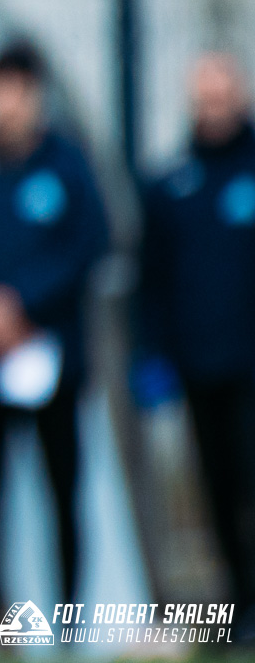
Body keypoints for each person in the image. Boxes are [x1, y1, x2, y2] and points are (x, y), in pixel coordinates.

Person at [0, 41, 109, 618]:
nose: (6, 103)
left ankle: (70, 614)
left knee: (63, 489)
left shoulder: (67, 165)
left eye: (17, 91)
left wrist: (21, 304)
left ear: (37, 97)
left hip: (52, 352)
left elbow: (89, 243)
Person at [136, 52, 255, 608]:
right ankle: (238, 603)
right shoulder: (171, 183)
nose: (214, 110)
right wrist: (154, 354)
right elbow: (152, 277)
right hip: (198, 361)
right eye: (204, 100)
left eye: (222, 98)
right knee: (218, 485)